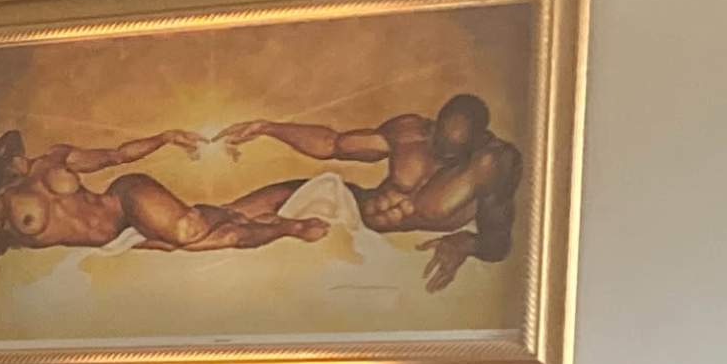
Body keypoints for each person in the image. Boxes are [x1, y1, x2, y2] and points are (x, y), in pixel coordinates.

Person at [0, 128, 330, 301]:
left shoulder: (54, 159)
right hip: (120, 237)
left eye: (18, 151)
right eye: (9, 157)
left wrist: (164, 139)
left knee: (187, 231)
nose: (19, 158)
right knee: (225, 232)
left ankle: (290, 226)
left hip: (126, 200)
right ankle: (281, 224)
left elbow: (116, 155)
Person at [218, 93, 521, 291]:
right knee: (227, 215)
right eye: (439, 142)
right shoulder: (412, 132)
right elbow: (333, 144)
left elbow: (498, 242)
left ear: (478, 140)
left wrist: (467, 243)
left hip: (402, 249)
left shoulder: (492, 165)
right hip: (356, 211)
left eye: (452, 152)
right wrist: (268, 128)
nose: (440, 153)